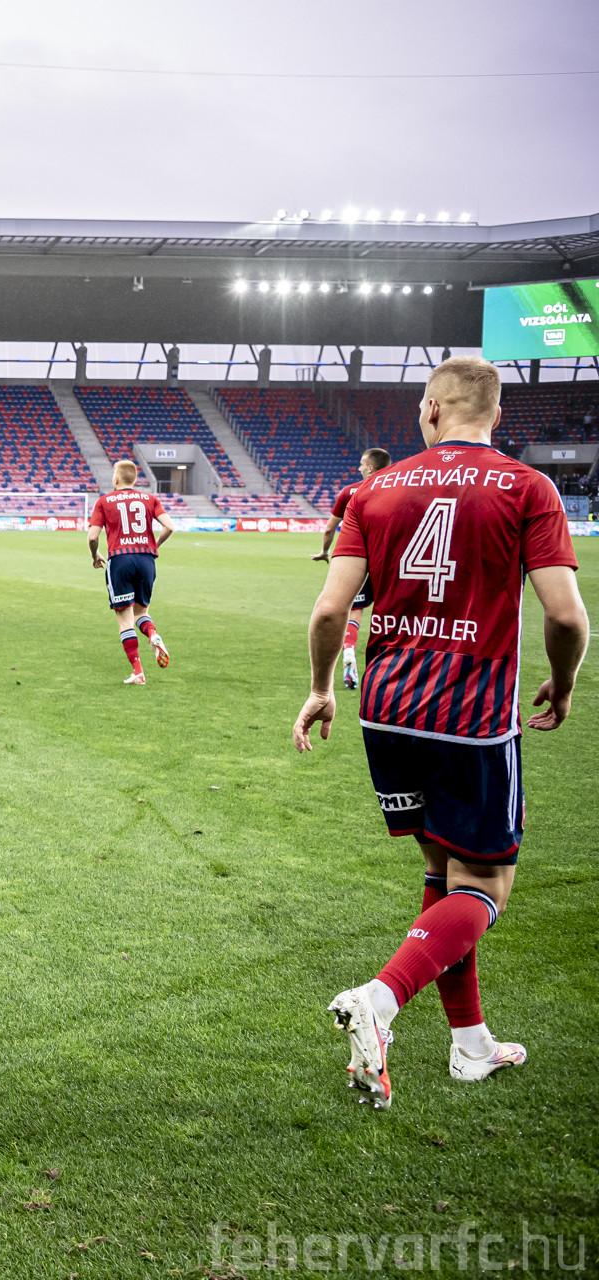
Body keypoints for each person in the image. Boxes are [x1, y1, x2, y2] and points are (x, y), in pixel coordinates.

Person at [295, 357, 587, 1109]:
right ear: (497, 416)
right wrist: (564, 681)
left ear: (430, 411)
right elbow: (564, 616)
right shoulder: (529, 487)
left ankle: (471, 1045)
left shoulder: (372, 490)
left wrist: (323, 689)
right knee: (485, 884)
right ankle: (381, 1000)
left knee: (443, 872)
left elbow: (329, 611)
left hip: (387, 709)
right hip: (471, 716)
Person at [86, 460, 173, 684]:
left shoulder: (104, 501)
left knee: (125, 620)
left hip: (120, 560)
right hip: (146, 560)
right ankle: (152, 633)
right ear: (134, 480)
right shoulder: (150, 499)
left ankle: (138, 672)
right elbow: (170, 526)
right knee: (141, 613)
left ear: (116, 479)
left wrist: (95, 555)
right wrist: (154, 547)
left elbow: (93, 537)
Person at [313, 448, 392, 690]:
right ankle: (392, 666)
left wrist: (325, 551)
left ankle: (348, 651)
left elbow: (330, 529)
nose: (359, 468)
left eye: (361, 464)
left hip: (357, 559)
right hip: (390, 558)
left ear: (370, 468)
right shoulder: (399, 488)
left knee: (354, 610)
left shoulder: (350, 492)